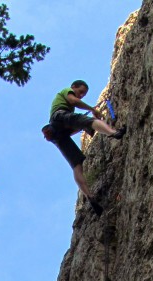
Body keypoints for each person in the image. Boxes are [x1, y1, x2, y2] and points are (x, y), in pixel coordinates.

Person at [44, 80, 126, 215]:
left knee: (77, 164)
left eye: (83, 94)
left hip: (57, 133)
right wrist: (92, 110)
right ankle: (113, 133)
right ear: (73, 87)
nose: (81, 96)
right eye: (80, 92)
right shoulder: (66, 91)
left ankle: (89, 196)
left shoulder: (63, 109)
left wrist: (81, 125)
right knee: (91, 121)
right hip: (58, 118)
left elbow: (71, 126)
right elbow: (73, 101)